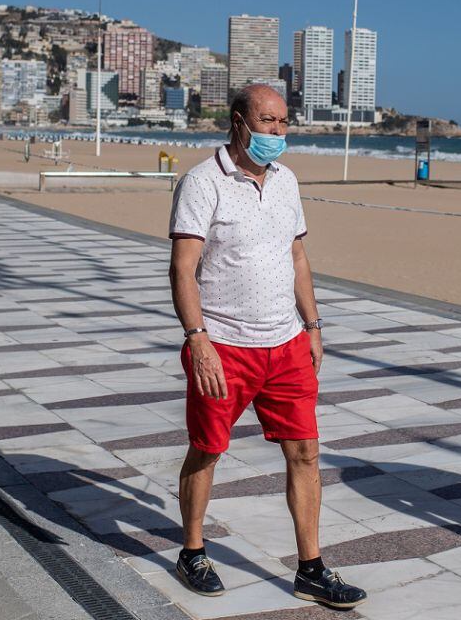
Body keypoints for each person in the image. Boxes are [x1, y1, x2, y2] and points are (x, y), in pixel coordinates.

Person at [167, 84, 367, 609]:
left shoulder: (286, 181)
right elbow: (183, 269)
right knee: (207, 450)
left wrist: (313, 325)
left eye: (283, 122)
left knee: (305, 452)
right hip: (224, 346)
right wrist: (198, 339)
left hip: (286, 343)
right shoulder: (202, 182)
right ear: (239, 122)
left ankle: (311, 568)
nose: (277, 131)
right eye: (267, 121)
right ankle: (192, 551)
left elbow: (297, 257)